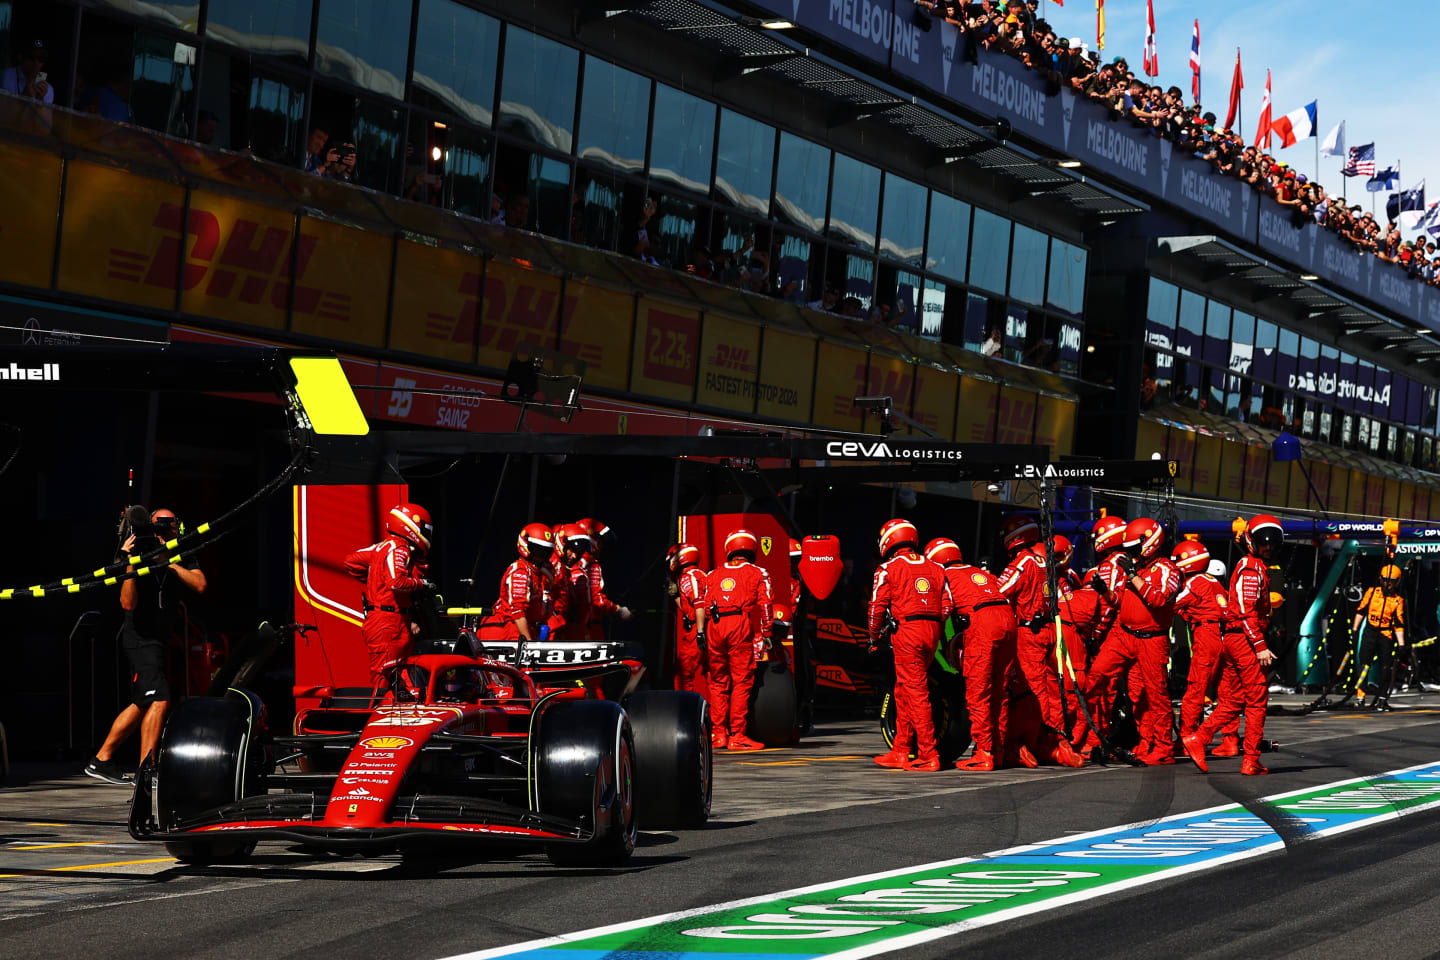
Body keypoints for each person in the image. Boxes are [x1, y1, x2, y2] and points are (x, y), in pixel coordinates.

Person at [86, 509, 207, 784]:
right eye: (160, 525)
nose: (167, 529)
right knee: (160, 698)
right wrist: (132, 563)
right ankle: (147, 769)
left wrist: (170, 564)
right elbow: (127, 603)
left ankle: (101, 760)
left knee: (142, 702)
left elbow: (200, 584)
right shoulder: (140, 554)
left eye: (171, 523)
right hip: (140, 639)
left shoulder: (182, 554)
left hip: (160, 639)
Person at [1183, 515, 1283, 776]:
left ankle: (1199, 737)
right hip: (1244, 640)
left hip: (1235, 638)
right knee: (1257, 699)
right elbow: (1247, 612)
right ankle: (1251, 759)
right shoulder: (1251, 569)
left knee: (1236, 699)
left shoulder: (1254, 565)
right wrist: (1260, 646)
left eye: (1273, 544)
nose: (1269, 548)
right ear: (1252, 541)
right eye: (1264, 543)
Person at [1087, 517, 1181, 765]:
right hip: (1124, 635)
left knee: (1153, 695)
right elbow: (1121, 602)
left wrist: (1133, 575)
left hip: (1152, 640)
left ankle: (1161, 748)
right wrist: (1104, 592)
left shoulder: (1168, 570)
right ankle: (1092, 737)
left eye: (1134, 549)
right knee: (1096, 675)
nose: (1132, 554)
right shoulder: (1137, 567)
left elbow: (1159, 600)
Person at [925, 537, 1016, 771]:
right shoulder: (980, 572)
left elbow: (944, 609)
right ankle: (998, 750)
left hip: (983, 624)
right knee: (1000, 690)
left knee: (978, 690)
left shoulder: (944, 576)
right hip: (1008, 620)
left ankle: (983, 753)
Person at [869, 520, 952, 772]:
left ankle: (928, 753)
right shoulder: (937, 567)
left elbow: (875, 609)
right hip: (932, 630)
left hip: (907, 632)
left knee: (915, 692)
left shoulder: (886, 569)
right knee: (903, 690)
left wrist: (873, 638)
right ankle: (901, 750)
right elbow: (947, 605)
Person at [344, 503, 433, 688]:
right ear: (410, 526)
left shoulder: (383, 547)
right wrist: (421, 584)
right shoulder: (398, 548)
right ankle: (377, 714)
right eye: (425, 529)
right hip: (387, 623)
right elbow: (396, 582)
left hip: (396, 619)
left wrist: (376, 584)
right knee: (384, 680)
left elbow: (351, 561)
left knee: (402, 680)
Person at [705, 529, 773, 752]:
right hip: (738, 624)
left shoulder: (713, 574)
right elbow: (765, 605)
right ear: (752, 548)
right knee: (741, 680)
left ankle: (718, 734)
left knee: (717, 681)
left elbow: (705, 606)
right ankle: (738, 735)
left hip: (714, 625)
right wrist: (767, 632)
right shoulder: (758, 572)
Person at [1172, 540, 1240, 757]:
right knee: (1225, 692)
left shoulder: (1194, 583)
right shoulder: (1216, 583)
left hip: (1207, 637)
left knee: (1195, 691)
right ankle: (1230, 740)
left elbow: (1170, 602)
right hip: (1225, 637)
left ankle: (1186, 739)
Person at [478, 523, 555, 644]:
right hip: (506, 631)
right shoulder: (520, 571)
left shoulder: (540, 572)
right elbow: (518, 612)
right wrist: (529, 644)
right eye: (539, 552)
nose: (541, 558)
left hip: (523, 629)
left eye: (546, 553)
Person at [1350, 563, 1407, 701]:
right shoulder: (1371, 593)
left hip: (1385, 635)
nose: (1388, 584)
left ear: (1397, 582)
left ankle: (1382, 697)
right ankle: (1360, 697)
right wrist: (1355, 630)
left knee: (1385, 667)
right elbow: (1360, 611)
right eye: (1385, 580)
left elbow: (1399, 624)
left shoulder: (1398, 601)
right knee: (1364, 664)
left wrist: (1401, 644)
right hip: (1370, 631)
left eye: (1391, 581)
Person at [576, 517, 631, 639]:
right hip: (588, 627)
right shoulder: (590, 563)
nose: (601, 546)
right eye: (600, 541)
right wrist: (618, 609)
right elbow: (596, 599)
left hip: (570, 623)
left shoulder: (571, 562)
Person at [668, 541, 709, 698]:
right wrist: (676, 596)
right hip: (711, 628)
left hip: (698, 632)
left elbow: (699, 604)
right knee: (713, 678)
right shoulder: (703, 575)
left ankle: (686, 713)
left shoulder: (687, 577)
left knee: (683, 675)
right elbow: (689, 607)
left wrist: (699, 632)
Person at [546, 523, 592, 642]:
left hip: (558, 625)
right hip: (548, 626)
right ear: (563, 544)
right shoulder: (552, 565)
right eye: (572, 550)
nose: (575, 556)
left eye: (579, 552)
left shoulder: (563, 567)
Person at [2, 39, 53, 103]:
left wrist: (40, 100)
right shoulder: (4, 77)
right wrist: (24, 96)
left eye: (41, 59)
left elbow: (43, 113)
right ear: (20, 57)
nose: (36, 63)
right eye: (31, 57)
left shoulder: (48, 89)